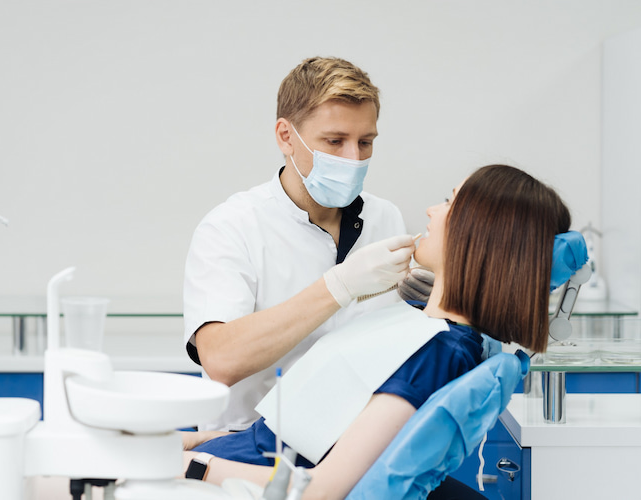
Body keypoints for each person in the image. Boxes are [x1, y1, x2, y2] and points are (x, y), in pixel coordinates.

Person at [182, 164, 575, 499]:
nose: (432, 211)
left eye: (449, 202)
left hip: (238, 477)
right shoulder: (431, 331)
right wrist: (201, 445)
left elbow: (321, 489)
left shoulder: (438, 353)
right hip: (238, 454)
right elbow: (298, 436)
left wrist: (192, 465)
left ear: (478, 236)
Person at [184, 56, 431, 432]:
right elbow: (220, 360)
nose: (354, 159)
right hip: (254, 452)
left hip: (356, 448)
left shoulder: (385, 218)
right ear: (286, 136)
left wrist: (425, 309)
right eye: (335, 141)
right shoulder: (231, 227)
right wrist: (338, 286)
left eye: (365, 142)